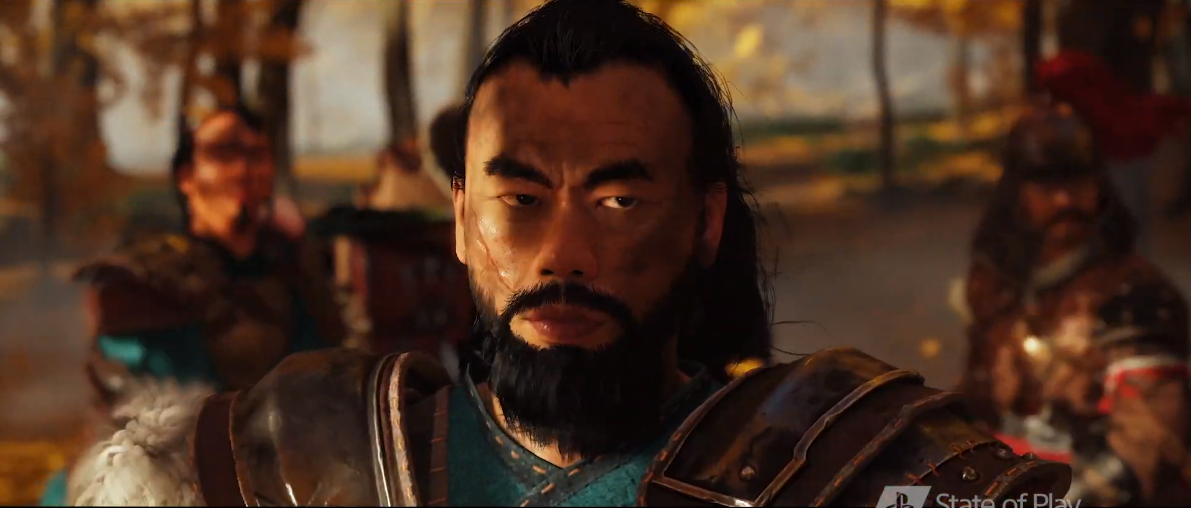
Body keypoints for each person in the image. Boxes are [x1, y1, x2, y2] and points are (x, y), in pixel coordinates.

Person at [66, 1, 1070, 506]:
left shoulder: (850, 464)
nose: (563, 251)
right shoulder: (291, 456)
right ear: (461, 218)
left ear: (704, 223)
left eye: (619, 199)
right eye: (519, 199)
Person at [38, 106, 346, 506]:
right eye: (224, 153)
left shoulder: (298, 275)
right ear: (187, 176)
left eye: (256, 155)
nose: (243, 169)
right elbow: (148, 426)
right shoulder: (145, 282)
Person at [956, 101, 1191, 506]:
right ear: (1017, 192)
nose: (1066, 200)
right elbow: (979, 403)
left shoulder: (1135, 292)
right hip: (1009, 478)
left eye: (1079, 182)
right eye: (1046, 186)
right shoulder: (997, 283)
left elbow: (1149, 444)